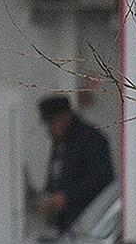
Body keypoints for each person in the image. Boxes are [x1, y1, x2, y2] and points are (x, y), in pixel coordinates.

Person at [36, 95, 115, 234]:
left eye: (53, 122)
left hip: (90, 219)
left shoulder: (91, 140)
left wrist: (68, 197)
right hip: (65, 221)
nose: (51, 128)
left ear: (65, 117)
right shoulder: (60, 144)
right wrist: (49, 197)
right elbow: (56, 174)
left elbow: (101, 178)